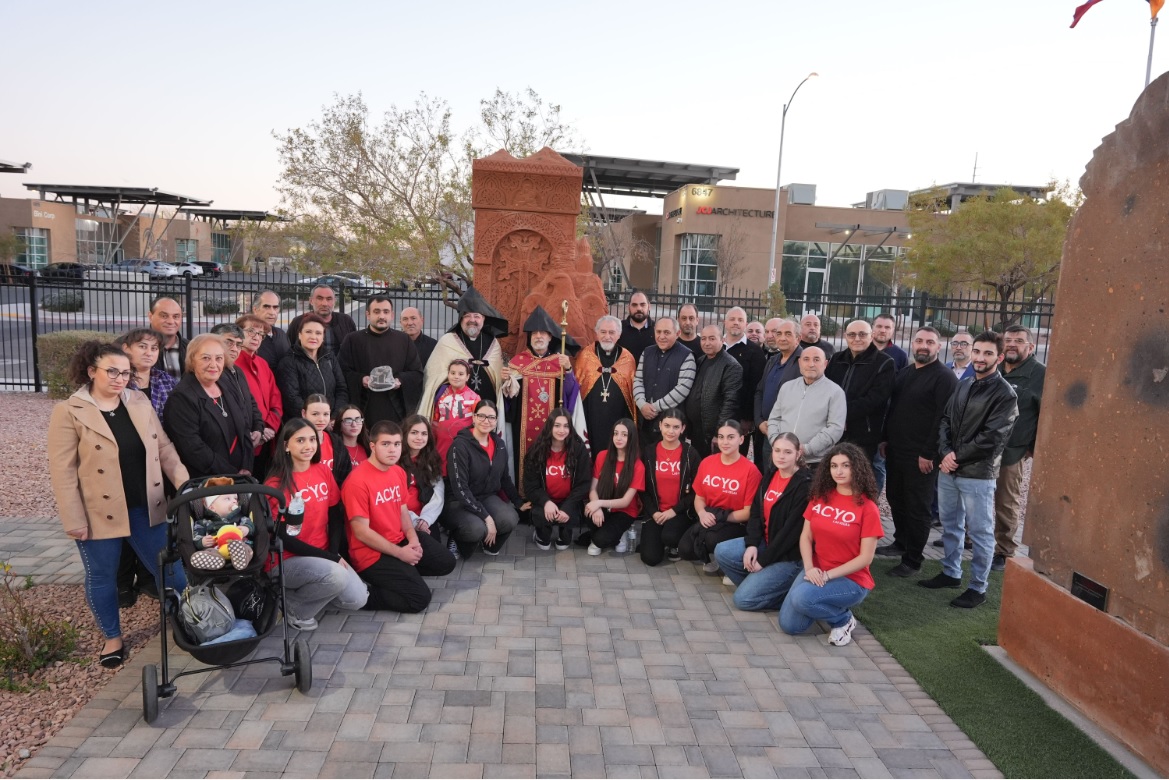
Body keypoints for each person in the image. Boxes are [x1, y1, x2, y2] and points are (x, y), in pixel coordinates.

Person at [47, 341, 189, 668]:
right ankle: (112, 636)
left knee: (171, 569)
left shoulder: (138, 401)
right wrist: (74, 518)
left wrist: (184, 486)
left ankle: (188, 617)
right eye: (112, 371)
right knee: (103, 576)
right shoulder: (69, 411)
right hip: (98, 513)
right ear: (91, 371)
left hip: (145, 506)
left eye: (125, 372)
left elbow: (164, 449)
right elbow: (63, 471)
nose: (119, 378)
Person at [920, 331, 1018, 609]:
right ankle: (951, 573)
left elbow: (992, 438)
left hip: (977, 474)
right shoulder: (963, 385)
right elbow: (945, 421)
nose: (980, 357)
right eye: (977, 351)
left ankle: (978, 587)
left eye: (988, 353)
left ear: (998, 357)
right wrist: (945, 452)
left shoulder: (1005, 395)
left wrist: (955, 457)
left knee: (980, 532)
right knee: (950, 526)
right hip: (950, 470)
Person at [264, 418, 368, 630]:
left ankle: (302, 593)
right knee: (335, 576)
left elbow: (335, 514)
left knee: (357, 600)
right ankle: (293, 608)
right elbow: (282, 536)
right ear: (286, 445)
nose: (308, 446)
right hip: (286, 560)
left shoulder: (321, 470)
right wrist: (330, 560)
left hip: (320, 556)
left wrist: (333, 552)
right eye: (300, 440)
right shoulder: (275, 484)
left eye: (312, 439)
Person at [343, 421, 456, 613]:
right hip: (371, 554)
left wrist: (413, 540)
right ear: (373, 446)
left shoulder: (397, 471)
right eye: (385, 444)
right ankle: (362, 595)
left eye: (396, 444)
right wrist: (399, 554)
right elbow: (361, 533)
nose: (392, 450)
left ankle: (403, 574)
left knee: (446, 562)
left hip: (399, 539)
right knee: (419, 599)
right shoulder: (357, 481)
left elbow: (402, 511)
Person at [779, 443, 882, 646]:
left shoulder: (867, 508)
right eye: (834, 466)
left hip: (851, 579)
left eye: (845, 465)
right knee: (789, 625)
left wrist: (827, 576)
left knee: (801, 599)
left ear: (857, 468)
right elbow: (805, 537)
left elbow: (865, 558)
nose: (839, 471)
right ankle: (819, 601)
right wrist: (809, 568)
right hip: (817, 570)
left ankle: (843, 620)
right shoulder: (820, 497)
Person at [878, 327, 960, 577]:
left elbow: (943, 419)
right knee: (896, 498)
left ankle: (913, 560)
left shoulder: (945, 378)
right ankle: (900, 542)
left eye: (930, 342)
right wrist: (884, 439)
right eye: (920, 341)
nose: (924, 346)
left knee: (918, 507)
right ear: (913, 344)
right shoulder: (906, 373)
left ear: (938, 346)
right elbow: (893, 409)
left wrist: (930, 453)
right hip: (896, 450)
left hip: (922, 456)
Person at [714, 432, 812, 611]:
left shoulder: (804, 486)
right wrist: (752, 544)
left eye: (788, 452)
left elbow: (790, 534)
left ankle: (784, 595)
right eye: (777, 450)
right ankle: (759, 587)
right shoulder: (770, 475)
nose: (781, 456)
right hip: (766, 543)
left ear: (798, 454)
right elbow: (756, 514)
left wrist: (763, 561)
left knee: (742, 600)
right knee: (722, 551)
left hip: (789, 556)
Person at [503, 306, 586, 491]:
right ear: (530, 337)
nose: (538, 336)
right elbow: (508, 399)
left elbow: (571, 393)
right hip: (522, 429)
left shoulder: (560, 362)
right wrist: (507, 383)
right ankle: (524, 497)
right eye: (534, 333)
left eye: (543, 333)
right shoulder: (518, 362)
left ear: (550, 337)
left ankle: (550, 496)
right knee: (522, 459)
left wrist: (569, 371)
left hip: (554, 428)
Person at [164, 334, 257, 477]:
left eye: (219, 358)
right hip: (208, 482)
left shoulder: (227, 385)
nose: (214, 364)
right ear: (192, 360)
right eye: (206, 358)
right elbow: (193, 448)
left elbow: (244, 425)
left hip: (241, 477)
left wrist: (247, 466)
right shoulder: (181, 398)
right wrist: (232, 474)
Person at [678, 420, 762, 573]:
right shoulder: (707, 462)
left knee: (711, 539)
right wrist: (702, 514)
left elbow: (748, 512)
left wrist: (719, 517)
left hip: (735, 522)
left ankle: (729, 562)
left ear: (741, 439)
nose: (725, 442)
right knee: (684, 549)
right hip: (710, 517)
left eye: (731, 437)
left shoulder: (751, 471)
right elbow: (699, 498)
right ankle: (714, 555)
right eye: (721, 437)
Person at [442, 400, 522, 558]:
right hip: (458, 500)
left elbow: (504, 477)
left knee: (510, 518)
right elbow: (460, 489)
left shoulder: (499, 444)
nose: (486, 421)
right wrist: (487, 518)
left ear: (496, 420)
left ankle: (488, 545)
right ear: (474, 417)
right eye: (482, 416)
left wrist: (518, 502)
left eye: (491, 417)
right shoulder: (460, 446)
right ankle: (458, 539)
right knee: (476, 528)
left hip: (485, 496)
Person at [420, 287, 507, 431]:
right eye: (467, 316)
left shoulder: (493, 343)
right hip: (455, 413)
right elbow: (434, 376)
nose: (472, 320)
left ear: (483, 319)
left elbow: (497, 375)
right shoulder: (448, 341)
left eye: (477, 316)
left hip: (487, 410)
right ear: (461, 318)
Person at [994, 325, 1045, 571]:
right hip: (983, 448)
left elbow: (1047, 416)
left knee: (1006, 502)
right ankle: (973, 540)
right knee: (977, 497)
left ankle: (1004, 551)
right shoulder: (995, 368)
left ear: (1031, 346)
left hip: (1013, 450)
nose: (1012, 344)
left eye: (1019, 340)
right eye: (1009, 340)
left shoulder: (1040, 374)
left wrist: (1032, 447)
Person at [338, 295, 423, 426]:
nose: (382, 316)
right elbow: (341, 372)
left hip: (396, 411)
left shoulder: (403, 340)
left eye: (386, 312)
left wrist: (399, 380)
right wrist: (361, 379)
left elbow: (416, 373)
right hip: (363, 410)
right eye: (376, 312)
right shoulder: (352, 340)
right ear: (368, 314)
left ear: (392, 315)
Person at [824, 320, 895, 463]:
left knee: (857, 479)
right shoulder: (837, 359)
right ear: (845, 336)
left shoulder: (884, 363)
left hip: (863, 435)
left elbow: (874, 399)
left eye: (862, 334)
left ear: (872, 335)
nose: (857, 339)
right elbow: (826, 390)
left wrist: (840, 414)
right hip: (832, 430)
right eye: (852, 334)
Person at [639, 409, 703, 567]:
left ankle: (674, 543)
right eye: (667, 425)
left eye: (676, 427)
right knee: (650, 558)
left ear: (683, 429)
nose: (670, 431)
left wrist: (672, 512)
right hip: (655, 512)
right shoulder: (648, 452)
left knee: (670, 537)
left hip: (680, 512)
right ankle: (660, 539)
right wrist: (654, 512)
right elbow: (643, 489)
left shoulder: (691, 454)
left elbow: (696, 491)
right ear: (660, 425)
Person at [767, 347, 846, 471]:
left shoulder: (835, 392)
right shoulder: (787, 387)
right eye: (806, 359)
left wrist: (807, 449)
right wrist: (776, 443)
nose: (811, 364)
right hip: (782, 458)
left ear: (825, 364)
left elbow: (835, 428)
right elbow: (774, 419)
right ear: (800, 363)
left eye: (816, 359)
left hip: (814, 462)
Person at [523, 409, 591, 551]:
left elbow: (584, 484)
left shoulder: (579, 450)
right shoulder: (536, 451)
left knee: (564, 542)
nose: (562, 430)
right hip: (545, 501)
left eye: (566, 426)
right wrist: (546, 502)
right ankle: (542, 533)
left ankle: (565, 533)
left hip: (569, 501)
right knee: (544, 543)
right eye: (557, 425)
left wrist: (568, 507)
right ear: (549, 427)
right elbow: (530, 486)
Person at [582, 419, 645, 555]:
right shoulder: (602, 456)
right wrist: (597, 506)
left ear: (631, 437)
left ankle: (617, 534)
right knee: (588, 513)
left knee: (600, 540)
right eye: (616, 434)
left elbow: (626, 501)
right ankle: (609, 534)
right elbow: (593, 489)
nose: (619, 438)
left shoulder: (637, 465)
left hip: (624, 511)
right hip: (604, 507)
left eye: (624, 434)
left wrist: (598, 503)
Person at [575, 315, 637, 452]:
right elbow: (578, 389)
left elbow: (631, 395)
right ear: (596, 333)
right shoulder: (586, 356)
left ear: (619, 335)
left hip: (618, 418)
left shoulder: (627, 359)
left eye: (611, 332)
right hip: (590, 417)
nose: (607, 336)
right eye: (603, 332)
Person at [633, 317, 695, 445]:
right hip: (645, 423)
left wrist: (654, 408)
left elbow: (682, 389)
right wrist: (641, 404)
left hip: (671, 425)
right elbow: (638, 380)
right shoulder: (647, 352)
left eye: (666, 332)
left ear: (677, 334)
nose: (661, 336)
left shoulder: (687, 356)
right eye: (658, 332)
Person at [235, 314, 283, 478]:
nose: (256, 337)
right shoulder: (231, 364)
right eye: (251, 332)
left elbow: (275, 400)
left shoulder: (262, 364)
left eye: (260, 334)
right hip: (244, 442)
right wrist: (258, 430)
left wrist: (269, 427)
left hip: (267, 440)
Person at [277, 312, 349, 418]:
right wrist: (317, 418)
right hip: (304, 424)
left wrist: (333, 417)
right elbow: (292, 398)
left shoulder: (330, 358)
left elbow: (341, 389)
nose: (313, 337)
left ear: (323, 337)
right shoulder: (289, 362)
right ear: (300, 335)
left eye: (318, 333)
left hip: (331, 422)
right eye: (308, 332)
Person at [209, 323, 265, 455]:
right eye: (228, 343)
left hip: (246, 446)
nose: (234, 349)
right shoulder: (210, 374)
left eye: (239, 345)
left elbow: (251, 403)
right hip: (224, 451)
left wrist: (258, 428)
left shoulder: (238, 371)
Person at [684, 325, 741, 454]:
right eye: (703, 339)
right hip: (697, 430)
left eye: (712, 338)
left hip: (712, 433)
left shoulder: (731, 366)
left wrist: (719, 433)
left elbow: (730, 402)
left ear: (722, 340)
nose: (707, 343)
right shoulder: (700, 360)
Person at [724, 307, 767, 456]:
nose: (736, 323)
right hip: (714, 414)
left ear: (745, 324)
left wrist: (748, 418)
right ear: (725, 322)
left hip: (739, 418)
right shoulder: (716, 347)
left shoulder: (755, 352)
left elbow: (756, 387)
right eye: (732, 319)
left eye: (740, 320)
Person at [399, 415, 446, 545]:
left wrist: (425, 519)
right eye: (414, 433)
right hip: (400, 519)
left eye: (424, 434)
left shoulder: (430, 459)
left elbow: (438, 493)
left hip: (425, 517)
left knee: (439, 557)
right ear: (405, 434)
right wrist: (414, 521)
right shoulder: (394, 458)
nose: (419, 438)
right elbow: (393, 500)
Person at [117, 327, 177, 425]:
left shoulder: (167, 380)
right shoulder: (117, 381)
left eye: (154, 348)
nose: (149, 353)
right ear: (126, 348)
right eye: (142, 347)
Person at [430, 359, 480, 468]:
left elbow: (478, 425)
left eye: (461, 374)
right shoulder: (440, 395)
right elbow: (435, 419)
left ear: (467, 377)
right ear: (448, 374)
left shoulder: (474, 398)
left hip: (464, 446)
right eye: (452, 373)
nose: (456, 376)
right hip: (441, 445)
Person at [287, 284, 357, 356]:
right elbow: (289, 350)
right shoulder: (298, 322)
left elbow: (355, 349)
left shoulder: (346, 321)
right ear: (311, 301)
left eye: (329, 299)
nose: (324, 303)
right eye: (319, 298)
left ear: (334, 301)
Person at [301, 394, 353, 491]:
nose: (321, 419)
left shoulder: (336, 441)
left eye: (325, 414)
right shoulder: (294, 442)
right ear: (304, 414)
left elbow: (345, 473)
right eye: (315, 414)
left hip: (334, 499)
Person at [252, 290, 291, 371]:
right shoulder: (247, 338)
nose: (272, 312)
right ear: (255, 310)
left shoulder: (281, 334)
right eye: (266, 307)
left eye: (275, 307)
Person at [149, 297, 186, 379]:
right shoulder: (133, 347)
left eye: (176, 316)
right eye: (164, 316)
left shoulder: (192, 349)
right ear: (150, 316)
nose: (170, 321)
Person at [617, 290, 655, 363]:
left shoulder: (657, 329)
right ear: (629, 307)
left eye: (642, 304)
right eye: (634, 305)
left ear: (649, 306)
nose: (639, 308)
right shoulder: (618, 328)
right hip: (625, 373)